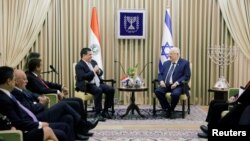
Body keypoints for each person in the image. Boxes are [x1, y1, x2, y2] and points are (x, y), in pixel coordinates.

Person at [13, 69, 98, 139]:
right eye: (24, 79)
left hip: (41, 110)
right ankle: (83, 124)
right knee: (63, 105)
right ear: (15, 81)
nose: (26, 81)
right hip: (37, 116)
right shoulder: (15, 92)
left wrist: (39, 97)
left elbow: (32, 94)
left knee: (69, 117)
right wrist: (41, 104)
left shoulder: (22, 89)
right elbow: (31, 109)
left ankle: (78, 134)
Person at [0, 66, 74, 141]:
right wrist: (39, 124)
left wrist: (39, 99)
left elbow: (31, 96)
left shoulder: (8, 93)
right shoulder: (4, 98)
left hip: (30, 121)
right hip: (25, 128)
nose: (15, 82)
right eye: (14, 79)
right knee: (61, 128)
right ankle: (83, 124)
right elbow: (17, 122)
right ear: (9, 81)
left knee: (67, 118)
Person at [75, 47, 115, 121]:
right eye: (89, 54)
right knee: (98, 90)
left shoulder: (93, 62)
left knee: (111, 89)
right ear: (84, 55)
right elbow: (83, 77)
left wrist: (98, 71)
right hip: (87, 85)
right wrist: (93, 71)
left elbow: (101, 72)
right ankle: (98, 113)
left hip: (97, 83)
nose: (91, 56)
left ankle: (105, 111)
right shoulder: (79, 65)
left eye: (91, 54)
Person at [154, 47, 191, 119]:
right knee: (157, 91)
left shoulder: (185, 63)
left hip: (178, 86)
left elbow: (187, 76)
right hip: (166, 85)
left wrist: (177, 83)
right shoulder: (166, 63)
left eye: (171, 54)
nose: (169, 56)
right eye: (169, 54)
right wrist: (161, 81)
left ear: (177, 54)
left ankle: (171, 109)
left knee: (175, 94)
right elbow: (160, 74)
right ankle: (167, 108)